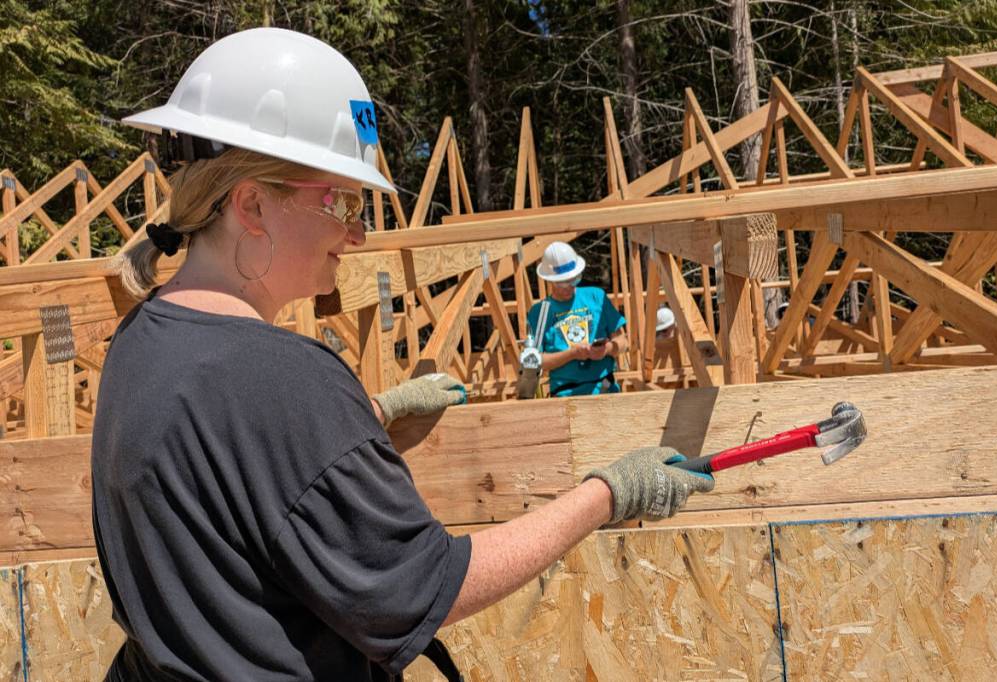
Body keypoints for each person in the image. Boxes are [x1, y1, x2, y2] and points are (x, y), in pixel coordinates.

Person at [92, 28, 714, 682]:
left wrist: (370, 415)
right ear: (251, 203)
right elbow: (422, 588)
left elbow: (236, 464)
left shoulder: (141, 341)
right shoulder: (283, 377)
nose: (358, 234)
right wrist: (607, 494)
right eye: (343, 201)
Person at [527, 241, 628, 397]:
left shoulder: (596, 297)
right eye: (563, 282)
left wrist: (606, 350)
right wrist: (572, 354)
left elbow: (623, 341)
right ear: (550, 280)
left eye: (574, 279)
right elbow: (534, 362)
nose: (570, 286)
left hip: (605, 389)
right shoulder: (539, 312)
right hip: (565, 395)